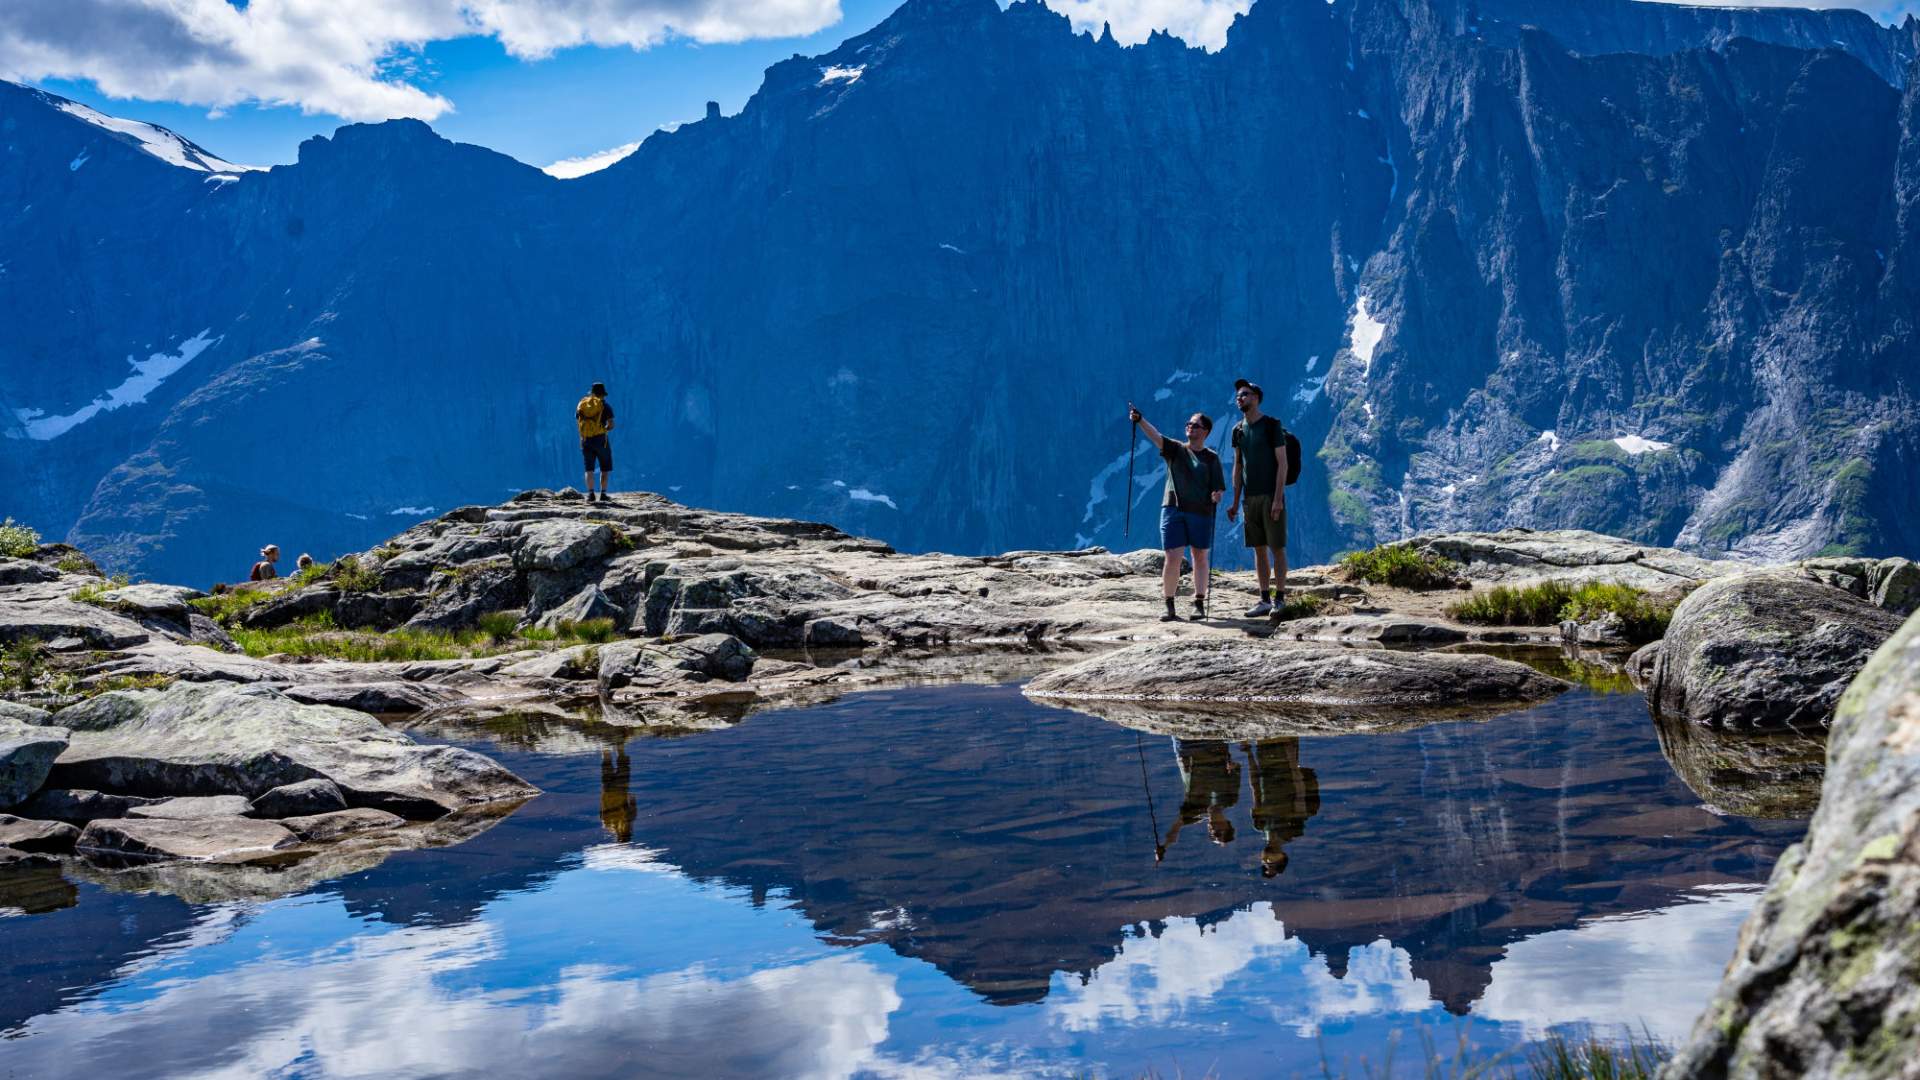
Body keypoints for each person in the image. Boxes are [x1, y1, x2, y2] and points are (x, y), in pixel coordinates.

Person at [1129, 402, 1226, 620]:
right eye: (1189, 424)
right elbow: (1156, 436)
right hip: (1173, 508)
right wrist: (1140, 420)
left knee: (1199, 556)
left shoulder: (1211, 458)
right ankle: (1169, 605)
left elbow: (1218, 487)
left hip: (1200, 511)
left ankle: (1199, 602)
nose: (1190, 427)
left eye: (1195, 425)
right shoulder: (1176, 449)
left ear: (1205, 432)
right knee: (1173, 556)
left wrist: (1217, 495)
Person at [1225, 378, 1289, 617]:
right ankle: (1264, 600)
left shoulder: (1272, 425)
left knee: (1277, 547)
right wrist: (1235, 501)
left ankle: (1280, 599)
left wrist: (1278, 498)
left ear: (1256, 398)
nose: (1239, 398)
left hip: (1271, 495)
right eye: (1238, 396)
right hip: (1249, 498)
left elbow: (1282, 464)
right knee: (1259, 549)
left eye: (1244, 394)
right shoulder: (1237, 430)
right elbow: (1238, 466)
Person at [576, 382, 616, 502]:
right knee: (604, 468)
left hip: (586, 439)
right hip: (601, 440)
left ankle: (591, 494)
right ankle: (603, 494)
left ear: (592, 393)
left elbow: (578, 420)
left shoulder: (582, 405)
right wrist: (604, 429)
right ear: (603, 394)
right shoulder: (605, 406)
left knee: (589, 469)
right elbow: (611, 424)